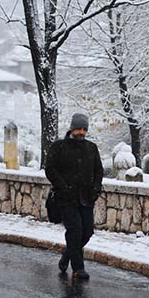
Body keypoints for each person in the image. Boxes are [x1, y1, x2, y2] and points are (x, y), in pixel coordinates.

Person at [45, 113, 104, 280]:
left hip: (86, 198)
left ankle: (67, 255)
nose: (82, 132)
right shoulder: (59, 147)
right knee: (75, 231)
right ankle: (78, 268)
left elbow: (98, 171)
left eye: (85, 129)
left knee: (87, 232)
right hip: (65, 198)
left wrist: (96, 189)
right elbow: (50, 169)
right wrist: (62, 186)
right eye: (79, 128)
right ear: (72, 128)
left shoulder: (91, 148)